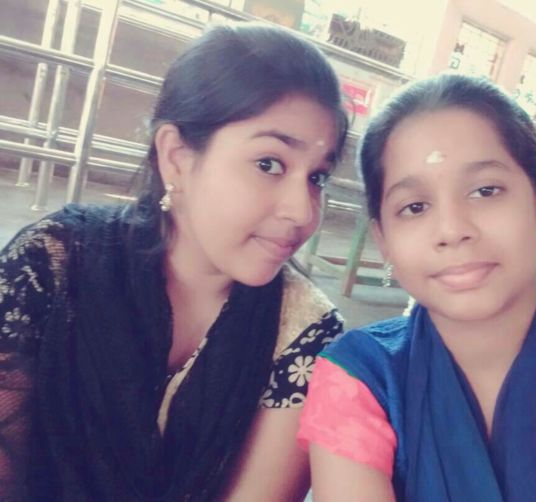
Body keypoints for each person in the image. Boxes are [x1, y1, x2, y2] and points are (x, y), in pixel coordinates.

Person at [0, 23, 348, 500]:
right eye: (269, 164)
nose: (303, 211)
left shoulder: (305, 331)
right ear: (177, 157)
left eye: (317, 177)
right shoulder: (51, 268)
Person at [298, 75, 536, 501]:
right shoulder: (362, 378)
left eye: (485, 190)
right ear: (384, 241)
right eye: (415, 207)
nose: (452, 229)